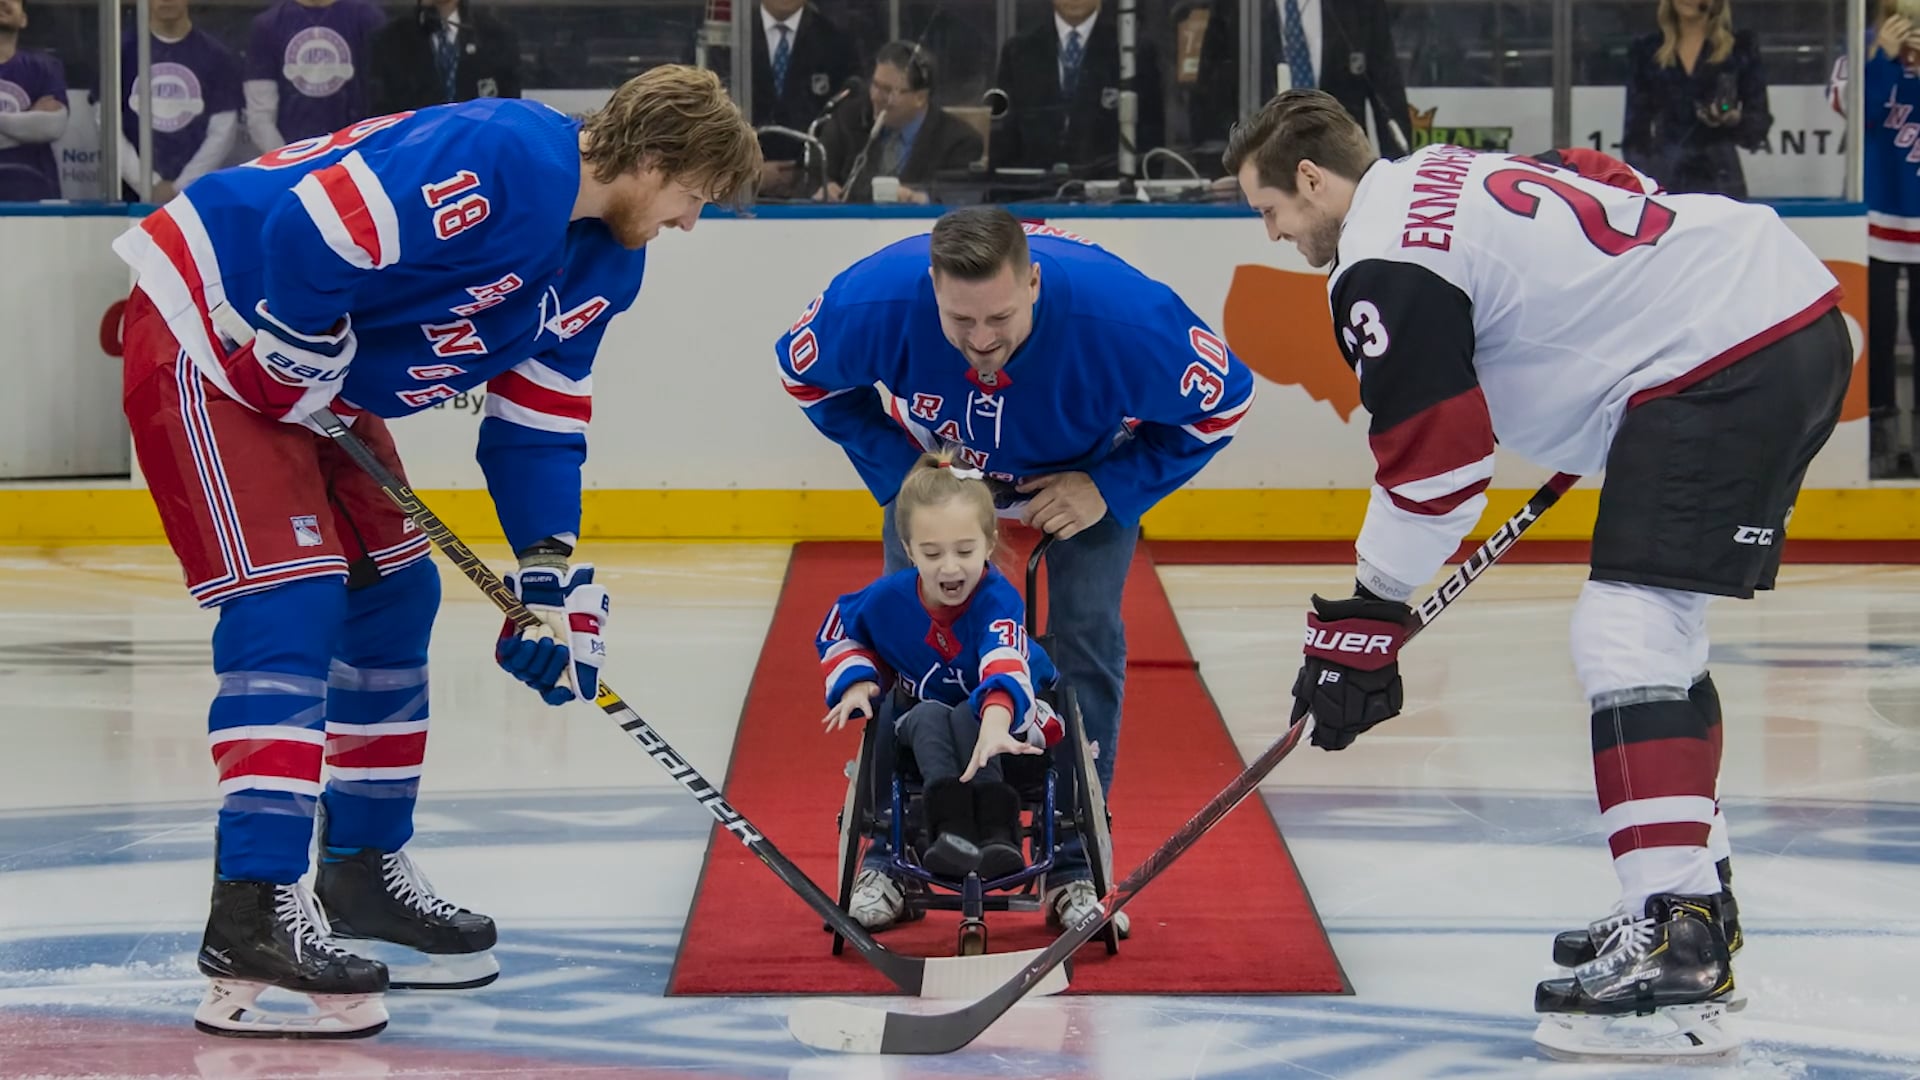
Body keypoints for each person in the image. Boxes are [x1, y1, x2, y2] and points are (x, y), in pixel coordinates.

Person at [111, 66, 759, 1038]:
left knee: (397, 593)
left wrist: (545, 584)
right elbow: (315, 226)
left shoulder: (606, 264)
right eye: (692, 197)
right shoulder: (506, 156)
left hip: (305, 365)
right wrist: (294, 339)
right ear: (654, 162)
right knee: (289, 602)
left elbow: (536, 424)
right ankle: (250, 909)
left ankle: (361, 873)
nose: (691, 222)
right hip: (215, 324)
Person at [1228, 90, 1846, 1061]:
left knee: (1627, 634)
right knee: (1660, 635)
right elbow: (1612, 183)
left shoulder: (1380, 260)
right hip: (1773, 311)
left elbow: (1437, 468)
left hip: (1723, 355)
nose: (1273, 233)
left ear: (1312, 177)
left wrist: (1370, 614)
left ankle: (1677, 933)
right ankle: (1691, 903)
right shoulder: (1447, 170)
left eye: (1270, 209)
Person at [776, 206, 1255, 931]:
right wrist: (907, 474)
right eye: (958, 321)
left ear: (1033, 282)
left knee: (1083, 638)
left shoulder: (1125, 317)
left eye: (999, 317)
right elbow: (802, 373)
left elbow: (1226, 403)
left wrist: (1111, 489)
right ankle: (891, 855)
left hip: (1082, 470)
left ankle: (1073, 859)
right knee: (906, 644)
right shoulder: (873, 299)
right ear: (929, 287)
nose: (980, 342)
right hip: (940, 465)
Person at [818, 452, 1062, 918]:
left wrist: (996, 723)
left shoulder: (997, 601)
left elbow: (1004, 663)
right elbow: (837, 629)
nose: (950, 568)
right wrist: (856, 680)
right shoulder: (887, 599)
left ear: (989, 544)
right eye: (932, 554)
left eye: (965, 552)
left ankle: (1001, 839)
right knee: (928, 715)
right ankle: (938, 839)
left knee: (970, 714)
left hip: (1010, 719)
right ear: (909, 550)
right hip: (929, 721)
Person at [1830, 1, 1920, 477]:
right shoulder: (1862, 44)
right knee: (1878, 332)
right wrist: (1880, 59)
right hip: (1880, 218)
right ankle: (1882, 436)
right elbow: (1854, 114)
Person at [1191, 0, 1411, 156]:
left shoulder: (1358, 6)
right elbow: (1212, 94)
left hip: (1340, 166)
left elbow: (1388, 93)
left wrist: (1399, 172)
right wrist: (1219, 172)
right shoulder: (1238, 7)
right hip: (1264, 169)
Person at [988, 0, 1165, 180]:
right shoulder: (1018, 50)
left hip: (1107, 196)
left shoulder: (1134, 51)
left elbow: (1151, 138)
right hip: (1031, 195)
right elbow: (1004, 136)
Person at [1621, 0, 1771, 199]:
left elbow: (1758, 123)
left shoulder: (1740, 48)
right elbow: (1634, 135)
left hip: (1721, 180)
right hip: (1666, 179)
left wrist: (1732, 119)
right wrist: (1649, 179)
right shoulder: (1647, 51)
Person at [107, 0, 241, 204]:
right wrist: (149, 184)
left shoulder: (216, 56)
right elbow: (107, 125)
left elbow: (223, 130)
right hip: (131, 201)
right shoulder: (119, 53)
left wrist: (183, 187)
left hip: (197, 200)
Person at [818, 41, 981, 204]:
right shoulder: (847, 119)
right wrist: (824, 188)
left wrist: (920, 199)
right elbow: (813, 176)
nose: (875, 97)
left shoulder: (959, 141)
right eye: (875, 85)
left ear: (920, 98)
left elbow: (960, 199)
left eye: (888, 91)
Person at [750, 0, 860, 198]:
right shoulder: (729, 37)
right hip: (735, 194)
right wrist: (748, 174)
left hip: (811, 190)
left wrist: (810, 174)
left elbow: (848, 115)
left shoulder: (836, 41)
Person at [243, 0, 385, 153]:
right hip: (291, 157)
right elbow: (260, 115)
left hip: (358, 154)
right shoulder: (267, 25)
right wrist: (289, 163)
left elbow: (385, 101)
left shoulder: (368, 19)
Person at [367, 0, 521, 116]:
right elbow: (382, 111)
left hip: (479, 149)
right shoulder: (390, 39)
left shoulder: (495, 36)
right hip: (417, 150)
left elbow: (510, 110)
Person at [0, 0, 68, 202]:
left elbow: (53, 126)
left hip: (35, 193)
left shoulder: (45, 67)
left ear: (24, 19)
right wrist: (27, 119)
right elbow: (38, 126)